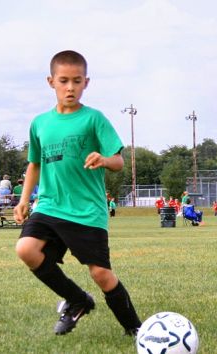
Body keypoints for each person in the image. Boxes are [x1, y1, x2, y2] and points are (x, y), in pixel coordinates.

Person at [12, 50, 141, 336]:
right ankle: (77, 299)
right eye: (64, 81)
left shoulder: (94, 119)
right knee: (26, 249)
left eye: (77, 81)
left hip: (86, 210)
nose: (70, 87)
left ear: (86, 82)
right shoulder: (40, 123)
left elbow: (119, 162)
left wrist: (104, 159)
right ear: (51, 82)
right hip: (49, 205)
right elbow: (35, 164)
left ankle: (135, 329)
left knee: (101, 274)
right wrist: (23, 200)